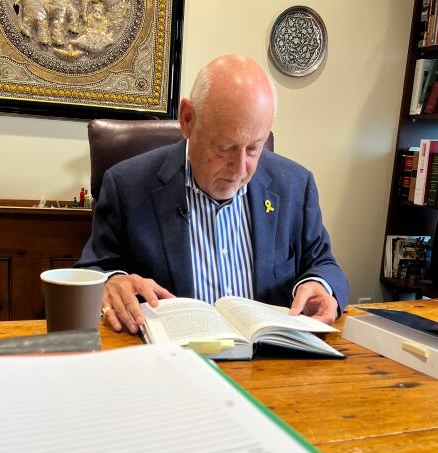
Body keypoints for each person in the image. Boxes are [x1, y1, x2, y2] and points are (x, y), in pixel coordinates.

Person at [76, 55, 348, 333]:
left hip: (270, 362)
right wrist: (112, 281)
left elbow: (323, 264)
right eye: (225, 147)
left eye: (254, 148)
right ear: (188, 119)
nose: (240, 169)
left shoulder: (294, 185)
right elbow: (94, 270)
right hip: (174, 361)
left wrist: (317, 285)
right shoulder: (127, 186)